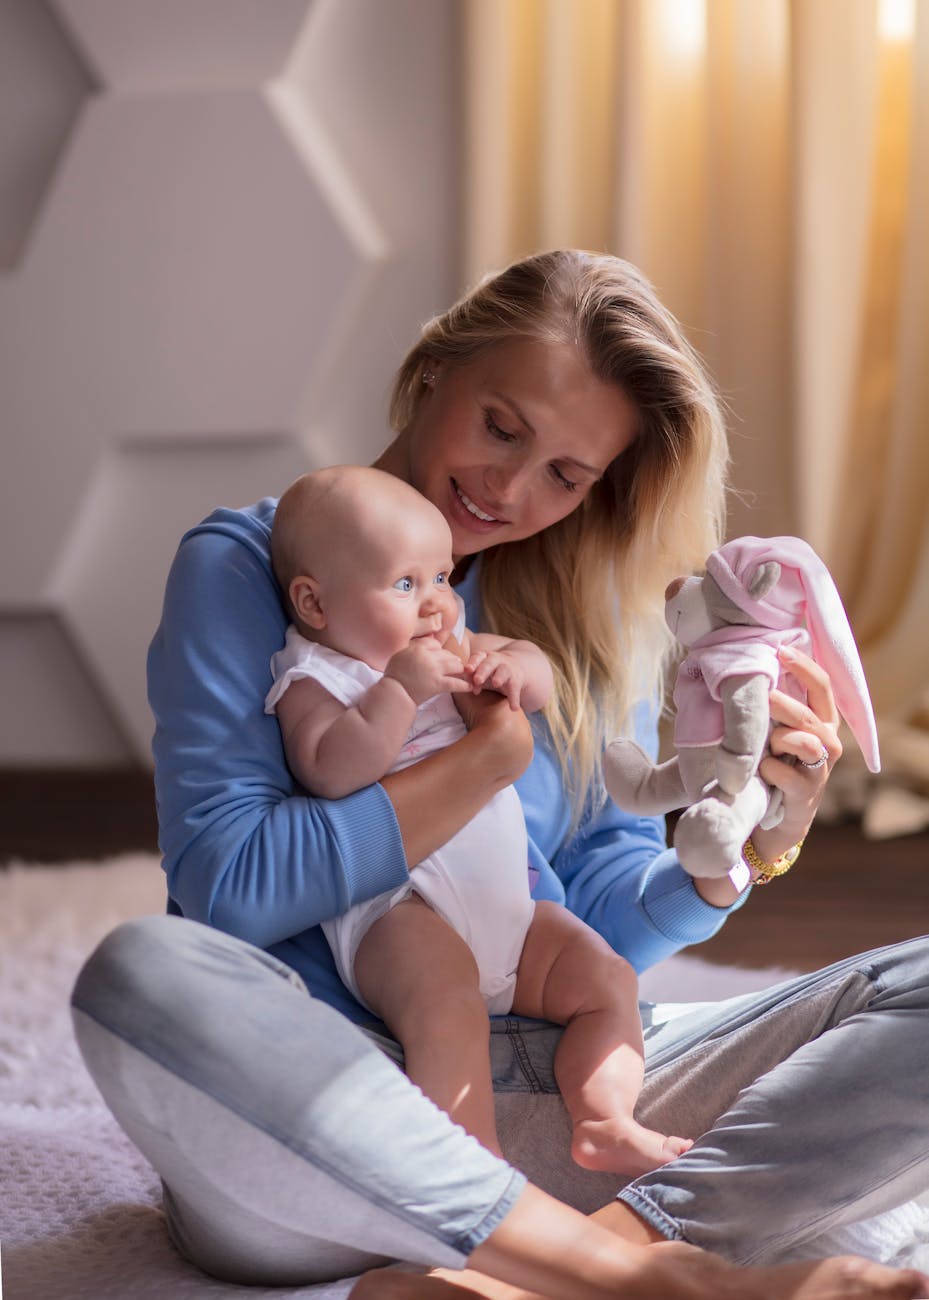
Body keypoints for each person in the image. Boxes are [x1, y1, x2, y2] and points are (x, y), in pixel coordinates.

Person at [70, 249, 929, 1300]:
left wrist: (730, 854)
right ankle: (656, 1279)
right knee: (142, 974)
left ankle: (554, 1267)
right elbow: (233, 887)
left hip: (561, 1093)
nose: (509, 489)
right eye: (500, 427)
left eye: (565, 475)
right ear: (434, 369)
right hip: (337, 1112)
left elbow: (600, 918)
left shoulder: (581, 622)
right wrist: (486, 761)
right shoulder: (252, 568)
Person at [265, 463, 690, 1176]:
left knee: (605, 980)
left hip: (511, 911)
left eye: (442, 578)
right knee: (445, 1004)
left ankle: (603, 1116)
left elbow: (537, 672)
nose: (434, 605)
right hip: (398, 910)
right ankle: (470, 1164)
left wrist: (515, 670)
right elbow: (330, 769)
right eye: (405, 585)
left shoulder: (450, 646)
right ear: (314, 603)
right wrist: (398, 691)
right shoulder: (316, 679)